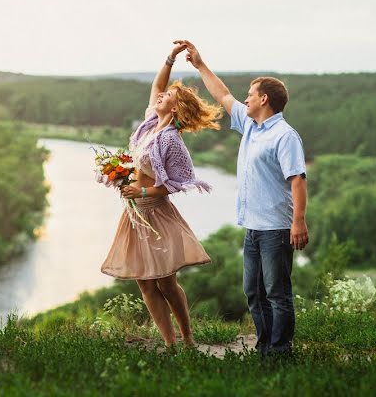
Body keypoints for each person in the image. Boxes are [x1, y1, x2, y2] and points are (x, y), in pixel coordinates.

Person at [175, 39, 308, 356]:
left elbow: (298, 181)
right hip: (252, 226)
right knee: (253, 291)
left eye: (250, 95)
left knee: (277, 292)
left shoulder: (284, 136)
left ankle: (280, 350)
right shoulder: (250, 125)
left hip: (277, 227)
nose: (244, 100)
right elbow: (222, 94)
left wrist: (298, 222)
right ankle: (264, 345)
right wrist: (200, 64)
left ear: (264, 99)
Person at [100, 44, 223, 348]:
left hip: (156, 213)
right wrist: (169, 59)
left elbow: (176, 184)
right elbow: (156, 85)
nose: (161, 95)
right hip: (135, 215)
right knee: (144, 282)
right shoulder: (150, 125)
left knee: (165, 281)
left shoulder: (172, 142)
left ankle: (188, 338)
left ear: (176, 109)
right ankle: (169, 343)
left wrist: (140, 189)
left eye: (168, 96)